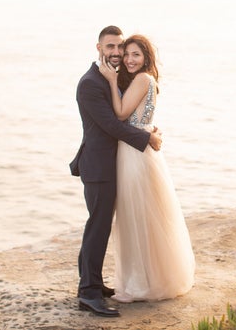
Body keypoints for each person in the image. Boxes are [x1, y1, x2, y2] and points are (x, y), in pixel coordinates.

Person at [69, 25, 163, 318]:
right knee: (98, 226)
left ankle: (93, 283)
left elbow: (129, 112)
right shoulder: (90, 83)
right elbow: (111, 124)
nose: (117, 53)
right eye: (110, 47)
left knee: (101, 225)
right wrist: (146, 138)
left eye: (120, 48)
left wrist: (145, 128)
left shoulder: (113, 77)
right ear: (99, 48)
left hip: (113, 163)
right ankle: (88, 294)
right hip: (98, 165)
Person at [98, 34, 195, 302]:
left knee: (135, 216)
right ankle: (150, 279)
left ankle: (140, 284)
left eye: (135, 55)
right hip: (139, 150)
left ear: (146, 58)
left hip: (134, 154)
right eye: (126, 54)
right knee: (144, 217)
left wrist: (111, 80)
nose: (129, 59)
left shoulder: (142, 79)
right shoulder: (147, 80)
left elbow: (119, 114)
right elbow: (139, 118)